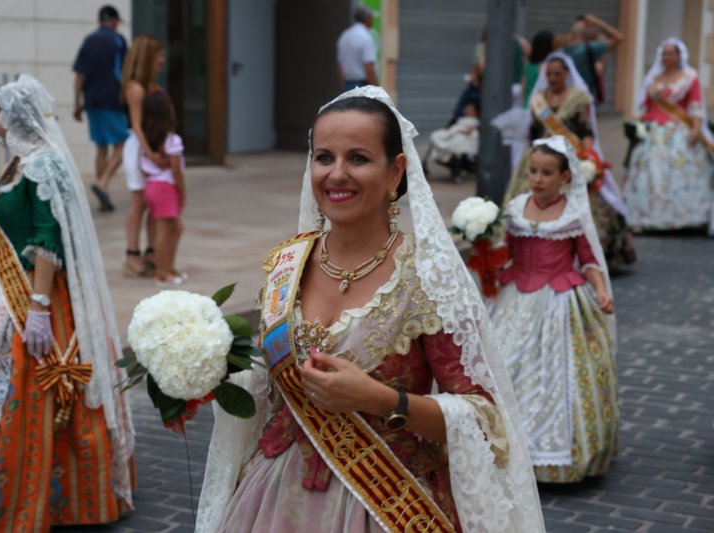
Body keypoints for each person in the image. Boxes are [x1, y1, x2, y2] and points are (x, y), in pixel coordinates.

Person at [195, 86, 545, 532]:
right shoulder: (288, 263)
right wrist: (210, 371)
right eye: (324, 157)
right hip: (275, 497)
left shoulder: (427, 277)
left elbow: (485, 423)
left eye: (358, 158)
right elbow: (269, 384)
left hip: (387, 500)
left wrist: (381, 399)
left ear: (396, 171)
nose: (336, 174)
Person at [0, 75, 135, 531]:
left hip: (31, 297)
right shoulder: (20, 162)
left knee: (25, 393)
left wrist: (37, 307)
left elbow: (46, 239)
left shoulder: (43, 166)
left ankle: (39, 498)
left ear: (10, 117)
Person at [489, 136, 618, 483]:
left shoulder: (573, 215)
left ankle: (557, 457)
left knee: (560, 374)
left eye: (547, 173)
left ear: (565, 178)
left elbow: (589, 261)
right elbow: (506, 252)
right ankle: (501, 452)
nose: (537, 179)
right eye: (533, 171)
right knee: (506, 362)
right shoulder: (516, 207)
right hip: (516, 296)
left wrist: (602, 291)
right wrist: (484, 254)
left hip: (560, 301)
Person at [505, 52, 635, 270]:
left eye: (557, 73)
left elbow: (586, 130)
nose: (553, 78)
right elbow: (532, 131)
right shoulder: (538, 99)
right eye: (549, 74)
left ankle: (589, 255)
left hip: (569, 157)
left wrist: (589, 157)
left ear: (567, 73)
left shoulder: (578, 98)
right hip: (540, 156)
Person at [624, 38, 714, 233]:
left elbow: (695, 106)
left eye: (672, 53)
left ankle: (684, 217)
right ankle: (648, 217)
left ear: (680, 56)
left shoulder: (690, 77)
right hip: (655, 130)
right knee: (650, 172)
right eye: (664, 53)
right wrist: (637, 124)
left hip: (678, 130)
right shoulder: (653, 80)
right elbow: (645, 106)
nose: (668, 57)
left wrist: (695, 129)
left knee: (680, 172)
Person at [72, 4, 129, 212]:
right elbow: (125, 72)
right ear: (114, 22)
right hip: (112, 100)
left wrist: (77, 103)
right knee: (123, 144)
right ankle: (103, 183)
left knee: (102, 147)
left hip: (92, 101)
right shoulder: (117, 40)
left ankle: (103, 194)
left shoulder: (88, 41)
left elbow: (79, 75)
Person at [121, 35, 167, 278]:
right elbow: (136, 125)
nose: (162, 60)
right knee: (139, 203)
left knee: (152, 202)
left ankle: (150, 251)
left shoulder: (151, 87)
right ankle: (132, 254)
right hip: (139, 148)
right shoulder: (135, 88)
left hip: (150, 146)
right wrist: (150, 152)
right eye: (158, 55)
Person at [140, 92, 187, 284]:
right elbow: (177, 170)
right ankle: (162, 271)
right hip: (166, 188)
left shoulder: (147, 141)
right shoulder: (171, 139)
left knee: (176, 228)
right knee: (165, 231)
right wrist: (182, 192)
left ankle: (168, 267)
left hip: (152, 186)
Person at [563, 14, 623, 100]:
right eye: (591, 27)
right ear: (585, 32)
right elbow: (619, 37)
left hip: (567, 97)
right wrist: (600, 23)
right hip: (584, 96)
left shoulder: (564, 50)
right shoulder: (591, 48)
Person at [427, 99, 480, 181]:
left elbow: (470, 131)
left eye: (470, 109)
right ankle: (444, 148)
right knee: (436, 135)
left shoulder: (476, 122)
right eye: (467, 108)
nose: (467, 110)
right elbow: (452, 129)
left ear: (475, 111)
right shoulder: (461, 119)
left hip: (462, 137)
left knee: (458, 139)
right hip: (452, 133)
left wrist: (460, 131)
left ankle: (448, 150)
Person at [336, 6, 378, 91]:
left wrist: (343, 87)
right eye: (371, 18)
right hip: (362, 86)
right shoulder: (366, 37)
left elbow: (339, 65)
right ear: (367, 19)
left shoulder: (344, 36)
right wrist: (375, 89)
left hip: (347, 85)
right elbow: (369, 67)